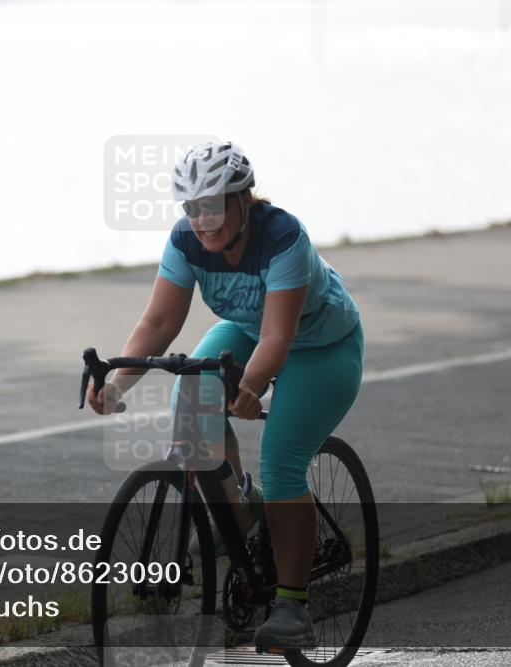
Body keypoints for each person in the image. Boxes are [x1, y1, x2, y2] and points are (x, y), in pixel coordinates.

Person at [86, 140, 364, 649]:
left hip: (323, 347)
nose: (202, 220)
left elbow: (279, 337)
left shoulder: (282, 237)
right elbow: (159, 322)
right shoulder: (185, 240)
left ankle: (292, 607)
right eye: (191, 207)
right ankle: (241, 510)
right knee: (190, 398)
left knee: (281, 464)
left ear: (242, 199)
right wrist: (116, 383)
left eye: (212, 206)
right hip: (250, 330)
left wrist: (250, 387)